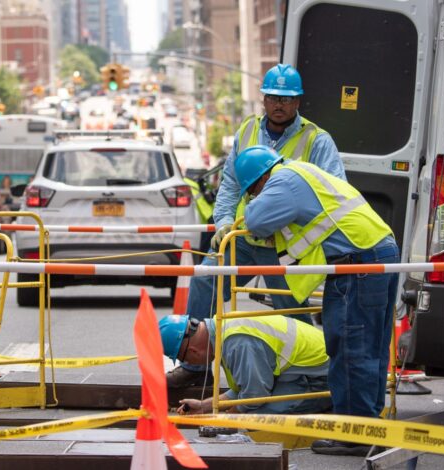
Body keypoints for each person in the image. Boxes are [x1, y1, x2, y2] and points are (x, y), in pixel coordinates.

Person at [168, 63, 345, 389]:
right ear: (263, 99)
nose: (280, 104)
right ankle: (195, 368)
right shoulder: (247, 132)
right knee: (205, 280)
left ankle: (306, 379)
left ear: (298, 102)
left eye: (287, 99)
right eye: (274, 97)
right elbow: (230, 186)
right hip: (247, 237)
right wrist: (222, 224)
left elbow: (333, 191)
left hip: (287, 245)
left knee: (290, 316)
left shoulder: (316, 141)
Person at [238, 145, 400, 456]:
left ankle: (355, 432)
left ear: (258, 181)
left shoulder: (282, 182)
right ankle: (368, 425)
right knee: (371, 347)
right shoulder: (303, 173)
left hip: (358, 264)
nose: (253, 197)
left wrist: (248, 212)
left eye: (251, 192)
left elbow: (256, 221)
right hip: (376, 254)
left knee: (351, 347)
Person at [158, 314, 332, 415]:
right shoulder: (223, 327)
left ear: (193, 351)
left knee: (254, 419)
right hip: (304, 372)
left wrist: (228, 418)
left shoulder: (236, 344)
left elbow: (254, 395)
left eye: (184, 359)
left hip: (321, 381)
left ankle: (332, 410)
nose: (187, 363)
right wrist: (205, 406)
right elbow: (248, 387)